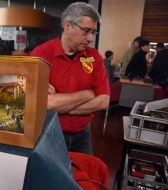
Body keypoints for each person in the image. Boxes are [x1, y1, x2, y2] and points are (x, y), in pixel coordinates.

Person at [31, 2, 110, 155]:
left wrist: (61, 107)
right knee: (50, 178)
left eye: (94, 32)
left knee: (84, 177)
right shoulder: (41, 54)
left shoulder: (94, 57)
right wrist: (88, 94)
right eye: (86, 31)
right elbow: (46, 103)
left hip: (83, 136)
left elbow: (104, 101)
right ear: (67, 26)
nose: (90, 38)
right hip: (49, 133)